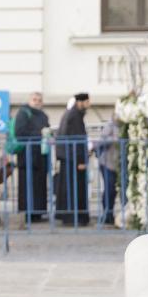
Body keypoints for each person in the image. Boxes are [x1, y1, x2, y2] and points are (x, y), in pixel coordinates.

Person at [54, 92, 91, 226]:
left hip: (69, 158)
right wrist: (81, 160)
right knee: (74, 188)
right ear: (80, 102)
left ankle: (70, 216)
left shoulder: (72, 114)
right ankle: (74, 217)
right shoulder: (75, 116)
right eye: (87, 102)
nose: (89, 104)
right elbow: (77, 139)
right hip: (73, 159)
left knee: (69, 187)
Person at [12, 92, 50, 222]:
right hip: (27, 156)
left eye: (39, 100)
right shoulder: (23, 113)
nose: (37, 102)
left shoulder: (43, 115)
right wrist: (39, 134)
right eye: (34, 99)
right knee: (28, 185)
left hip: (41, 155)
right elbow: (20, 132)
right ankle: (28, 213)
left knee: (40, 185)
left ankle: (38, 212)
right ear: (29, 101)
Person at [95, 114, 121, 226]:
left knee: (114, 190)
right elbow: (101, 141)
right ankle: (107, 214)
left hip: (118, 164)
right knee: (109, 189)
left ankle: (111, 214)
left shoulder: (126, 126)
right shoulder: (109, 126)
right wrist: (115, 139)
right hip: (107, 163)